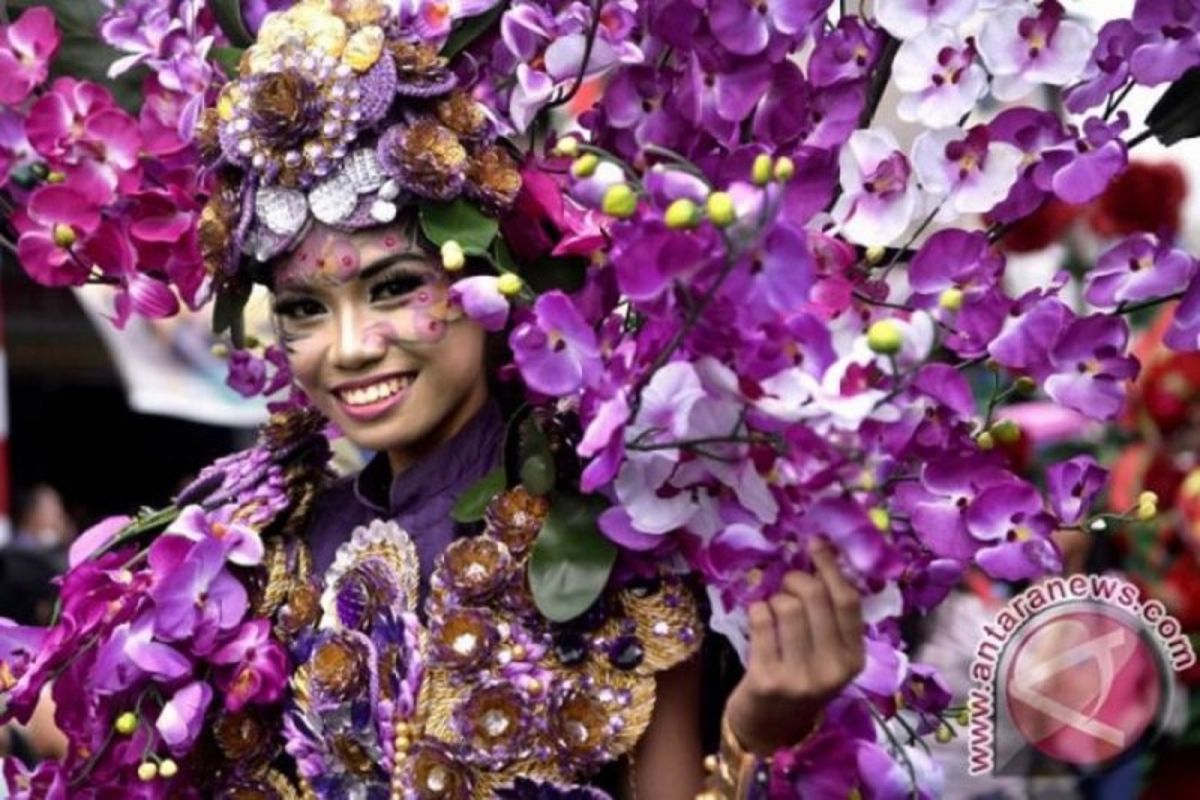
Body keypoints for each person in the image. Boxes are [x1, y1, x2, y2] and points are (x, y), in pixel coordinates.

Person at [0, 1, 865, 796]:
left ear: (497, 284)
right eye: (304, 308)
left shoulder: (608, 546)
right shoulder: (260, 557)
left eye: (393, 287)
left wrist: (757, 735)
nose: (347, 349)